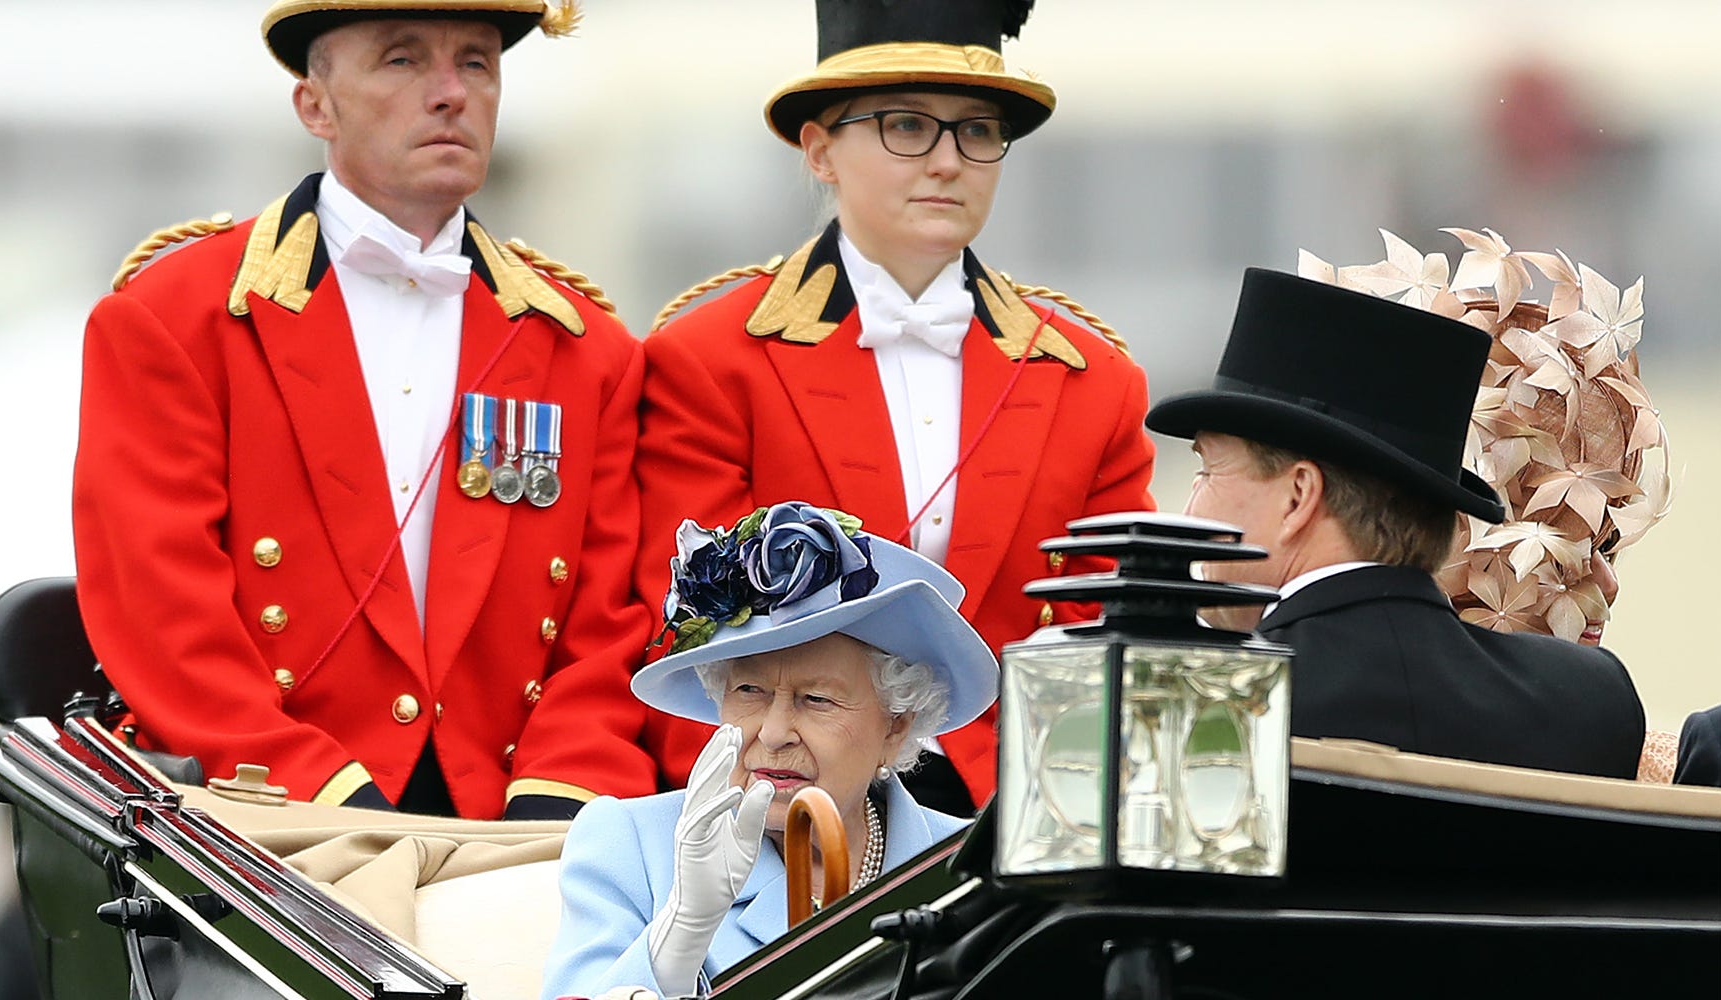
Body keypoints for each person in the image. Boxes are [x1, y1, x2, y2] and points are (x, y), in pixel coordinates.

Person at [72, 0, 655, 820]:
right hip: (270, 821)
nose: (452, 92)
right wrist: (326, 797)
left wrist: (558, 802)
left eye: (478, 62)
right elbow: (161, 613)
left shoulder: (588, 349)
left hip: (516, 828)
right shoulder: (174, 319)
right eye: (402, 60)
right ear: (316, 104)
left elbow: (611, 623)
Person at [634, 0, 1154, 817]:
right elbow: (691, 623)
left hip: (1015, 802)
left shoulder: (1094, 380)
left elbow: (1105, 628)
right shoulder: (709, 357)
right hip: (780, 794)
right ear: (819, 149)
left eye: (978, 131)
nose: (948, 161)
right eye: (907, 125)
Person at [1146, 268, 1644, 779]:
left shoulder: (1201, 707)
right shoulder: (1591, 703)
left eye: (1208, 470)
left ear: (1298, 496)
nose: (1190, 511)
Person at [542, 503, 994, 1000]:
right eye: (749, 691)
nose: (774, 732)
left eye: (816, 700)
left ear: (896, 726)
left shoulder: (969, 865)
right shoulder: (629, 845)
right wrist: (679, 937)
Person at [1301, 228, 1676, 778]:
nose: (1607, 582)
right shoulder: (1290, 688)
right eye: (1563, 543)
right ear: (1461, 533)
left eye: (1607, 548)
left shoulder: (1634, 745)